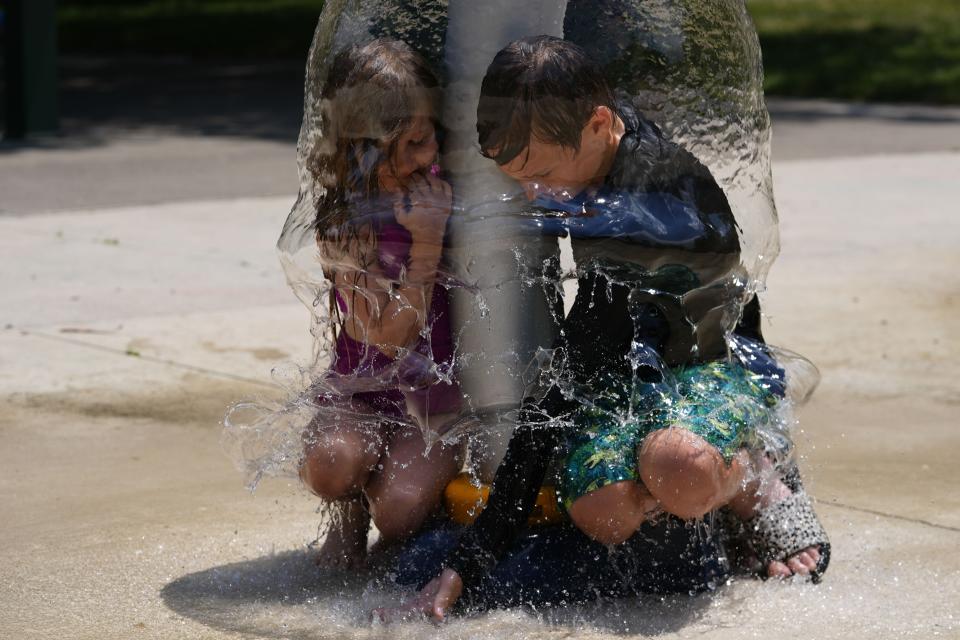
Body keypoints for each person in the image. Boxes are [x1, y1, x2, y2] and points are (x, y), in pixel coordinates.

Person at [377, 36, 829, 621]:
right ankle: (689, 507)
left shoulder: (648, 201)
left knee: (677, 466)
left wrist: (474, 555)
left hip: (713, 365)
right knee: (602, 510)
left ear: (598, 123)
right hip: (637, 365)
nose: (532, 196)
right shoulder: (599, 160)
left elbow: (568, 373)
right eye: (519, 179)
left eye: (540, 173)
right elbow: (586, 358)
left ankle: (752, 479)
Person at [298, 38, 462, 569]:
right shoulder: (345, 222)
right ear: (363, 147)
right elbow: (389, 337)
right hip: (364, 390)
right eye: (414, 142)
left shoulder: (444, 189)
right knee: (329, 465)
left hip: (436, 401)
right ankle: (347, 515)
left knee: (399, 509)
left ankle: (407, 520)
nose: (431, 151)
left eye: (432, 133)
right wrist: (427, 243)